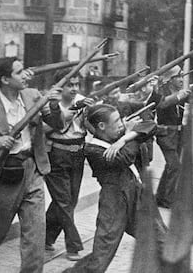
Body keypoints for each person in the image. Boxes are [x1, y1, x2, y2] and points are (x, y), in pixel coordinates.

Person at [0, 57, 64, 273]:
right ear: (5, 79)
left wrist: (54, 105)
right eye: (19, 72)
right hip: (5, 174)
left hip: (33, 170)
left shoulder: (33, 96)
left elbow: (57, 124)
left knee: (36, 236)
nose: (25, 75)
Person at [63, 104, 166, 273]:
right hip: (115, 201)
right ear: (102, 126)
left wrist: (124, 138)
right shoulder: (93, 149)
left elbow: (151, 125)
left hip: (138, 195)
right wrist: (133, 136)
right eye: (116, 121)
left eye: (120, 119)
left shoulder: (119, 137)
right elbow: (124, 158)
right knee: (103, 252)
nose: (121, 124)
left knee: (162, 240)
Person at [44, 69, 94, 261]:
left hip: (78, 153)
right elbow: (51, 126)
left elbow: (89, 127)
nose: (74, 89)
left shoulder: (83, 100)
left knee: (68, 200)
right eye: (69, 85)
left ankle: (46, 237)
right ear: (59, 86)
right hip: (57, 153)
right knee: (64, 201)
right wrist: (74, 109)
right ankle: (73, 246)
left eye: (76, 84)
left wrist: (92, 112)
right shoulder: (50, 103)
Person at [153, 66, 193, 209]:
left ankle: (161, 197)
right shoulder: (161, 91)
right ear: (170, 79)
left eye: (182, 76)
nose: (182, 79)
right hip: (165, 134)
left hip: (179, 134)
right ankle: (168, 200)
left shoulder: (181, 92)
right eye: (179, 77)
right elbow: (162, 104)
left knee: (171, 166)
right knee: (174, 166)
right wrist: (179, 96)